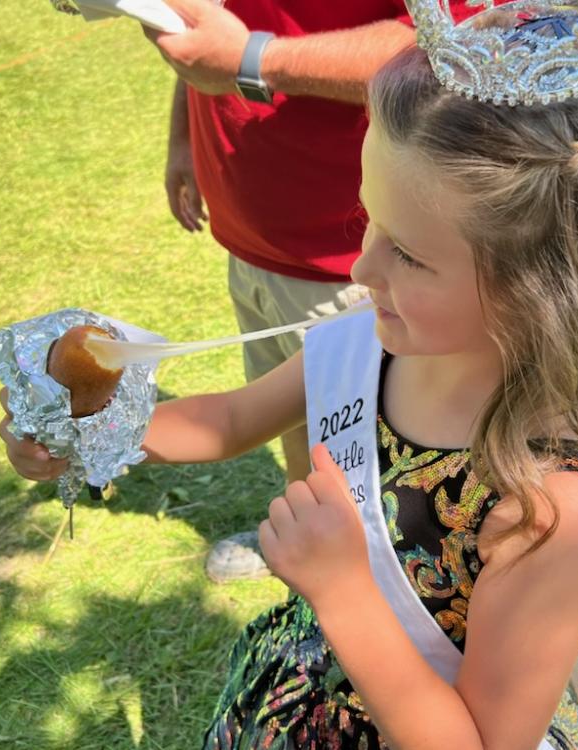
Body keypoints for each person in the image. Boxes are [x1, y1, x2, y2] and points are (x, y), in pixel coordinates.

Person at [0, 19, 578, 749]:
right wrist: (80, 434)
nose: (362, 270)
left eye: (410, 255)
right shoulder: (376, 342)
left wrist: (343, 591)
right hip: (296, 694)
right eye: (370, 220)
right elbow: (228, 421)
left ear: (546, 290)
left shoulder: (555, 503)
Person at [141, 0, 427, 582]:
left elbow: (450, 49)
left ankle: (364, 571)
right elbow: (205, 37)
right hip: (253, 248)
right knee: (298, 426)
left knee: (358, 456)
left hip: (341, 262)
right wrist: (184, 141)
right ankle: (306, 541)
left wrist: (253, 59)